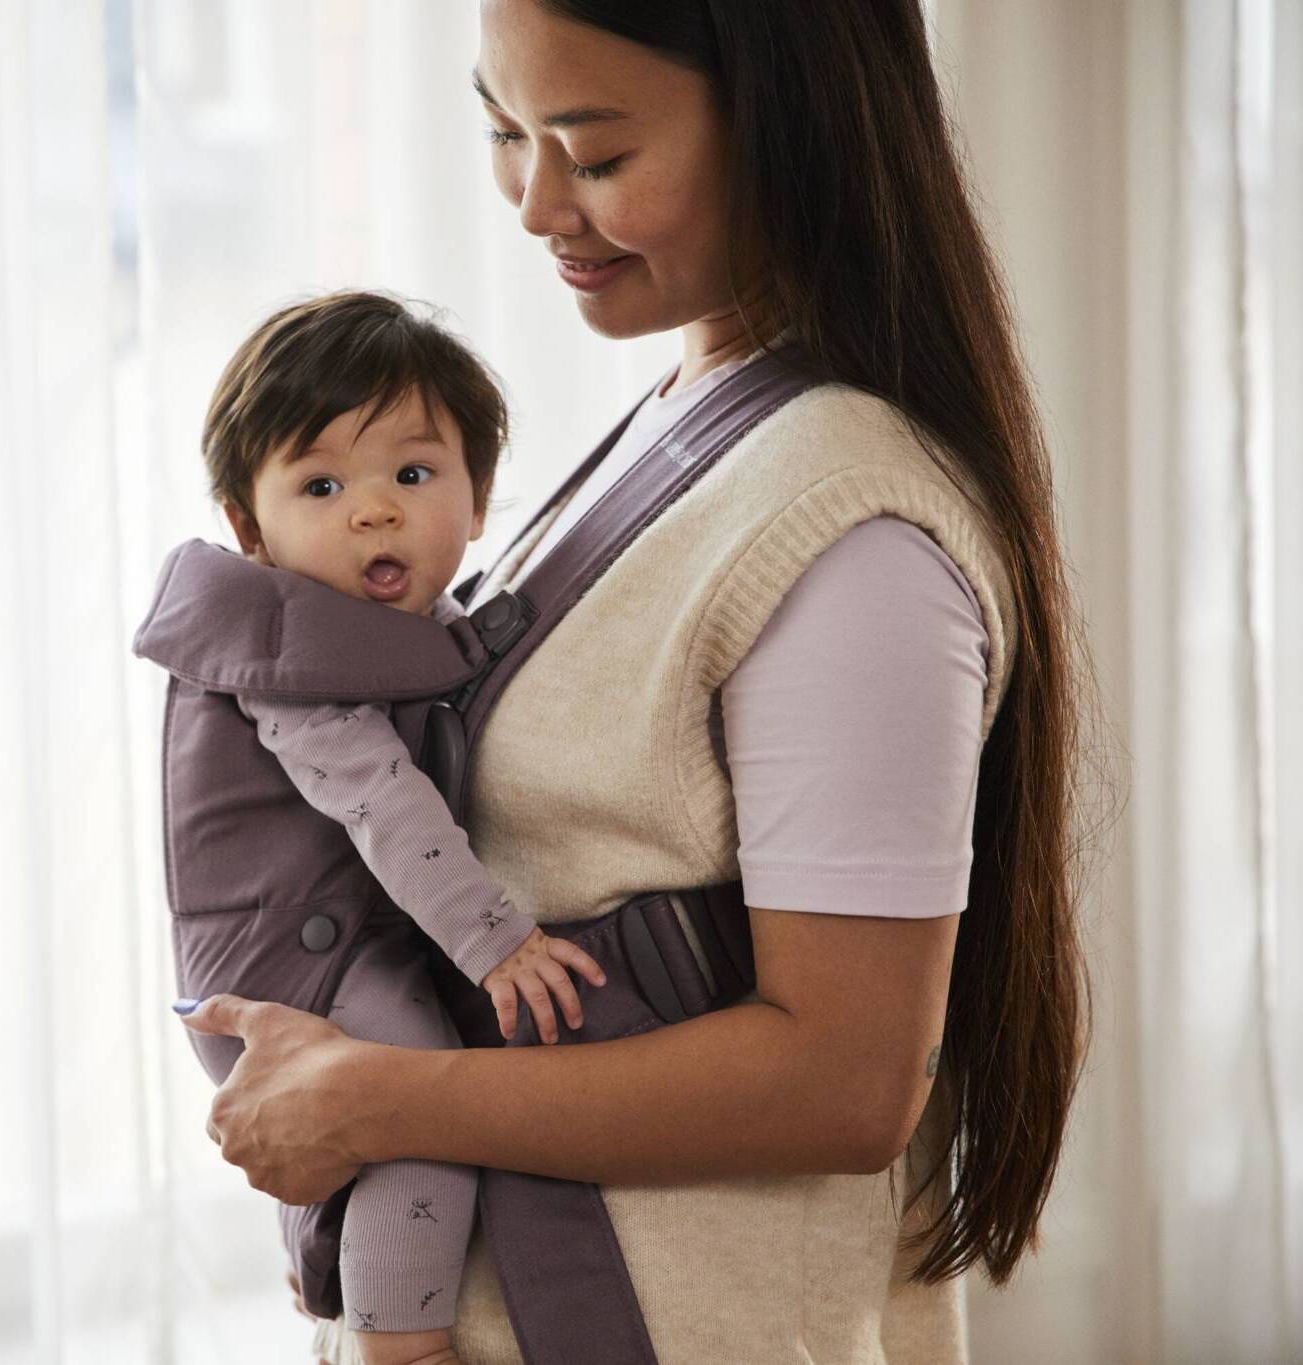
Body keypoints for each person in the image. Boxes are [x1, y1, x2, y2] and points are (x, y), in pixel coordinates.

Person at [176, 3, 1105, 1362]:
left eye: (596, 155)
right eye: (504, 132)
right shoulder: (687, 418)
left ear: (791, 132)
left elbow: (845, 1081)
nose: (536, 204)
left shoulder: (850, 538)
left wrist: (377, 1103)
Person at [177, 289, 608, 1365]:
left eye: (412, 476)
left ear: (479, 494)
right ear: (249, 529)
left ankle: (326, 1247)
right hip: (280, 966)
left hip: (340, 937)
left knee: (395, 1107)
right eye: (321, 486)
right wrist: (496, 940)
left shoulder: (411, 623)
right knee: (416, 1105)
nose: (373, 511)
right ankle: (401, 1347)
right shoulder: (287, 654)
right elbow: (380, 798)